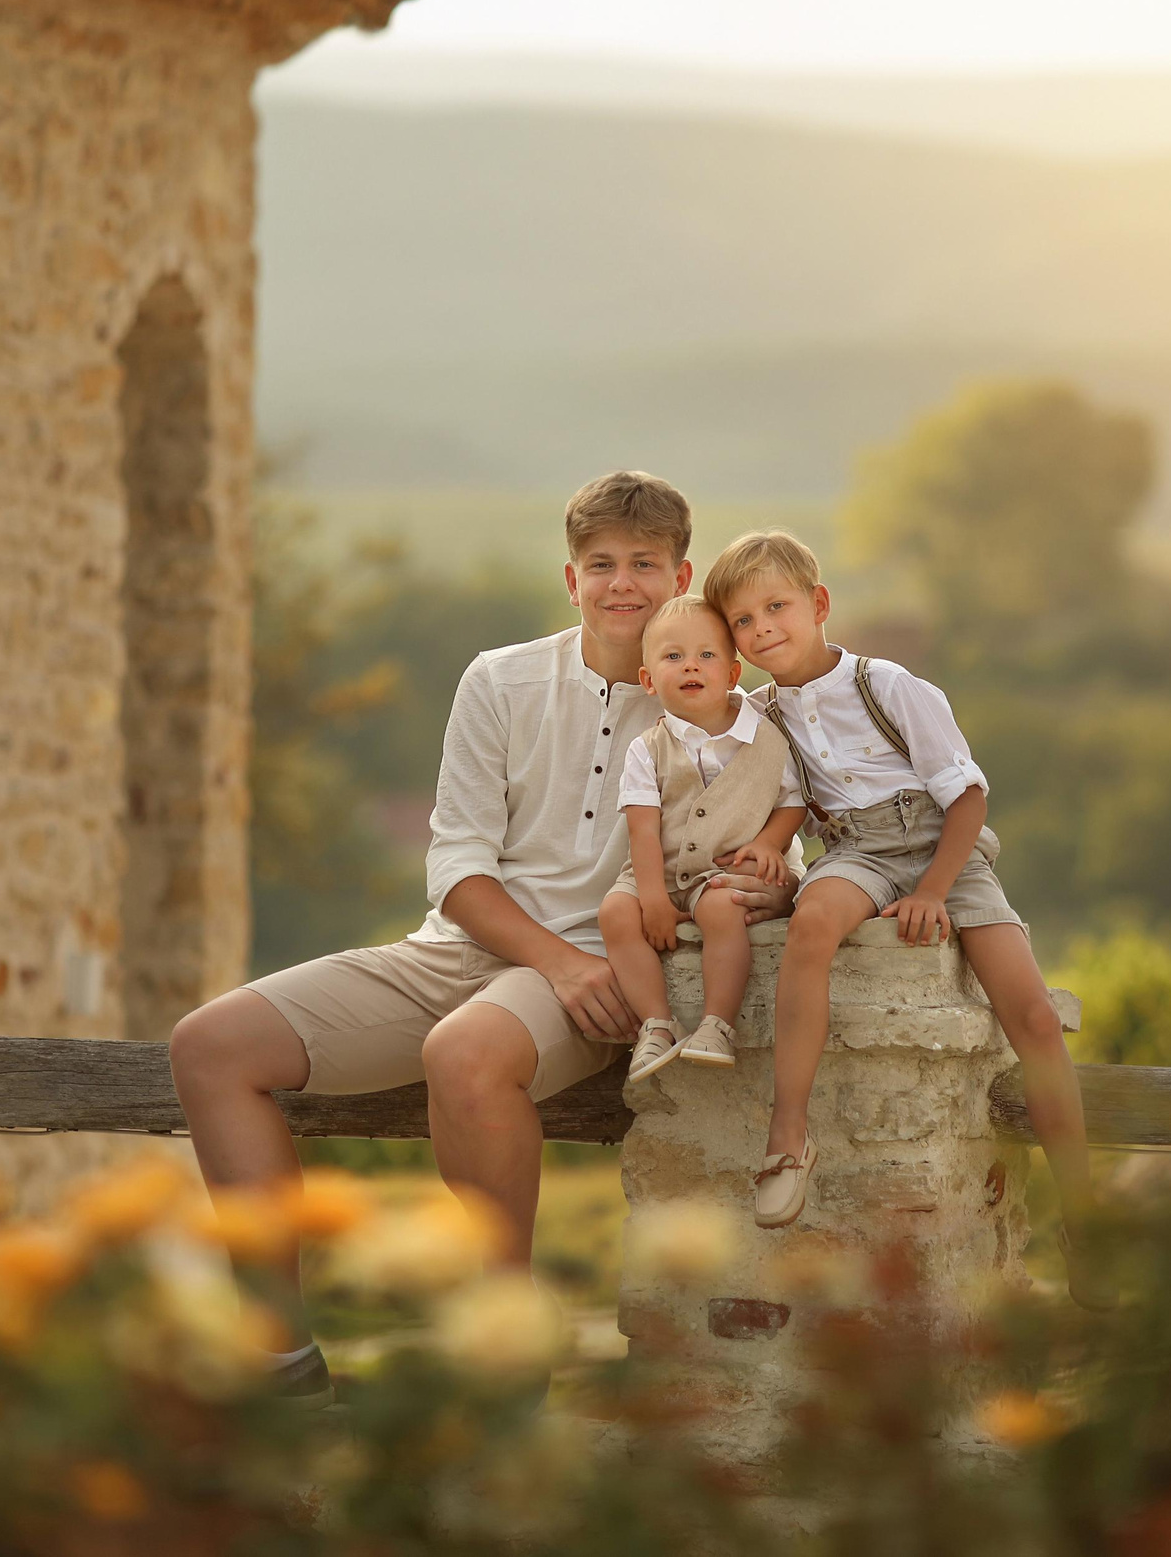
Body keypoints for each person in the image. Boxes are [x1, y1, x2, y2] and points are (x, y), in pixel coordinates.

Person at [167, 473, 795, 1400]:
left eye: (646, 565)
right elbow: (456, 867)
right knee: (209, 1045)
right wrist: (553, 957)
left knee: (462, 1054)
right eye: (602, 564)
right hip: (470, 950)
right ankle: (278, 1359)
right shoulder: (500, 679)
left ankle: (505, 1354)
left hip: (602, 971)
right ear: (570, 577)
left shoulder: (712, 701)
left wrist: (764, 883)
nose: (623, 584)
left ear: (682, 576)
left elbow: (778, 838)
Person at [704, 530, 1113, 1303]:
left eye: (777, 607)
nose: (762, 630)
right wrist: (776, 871)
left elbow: (966, 798)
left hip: (944, 847)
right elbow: (774, 802)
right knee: (813, 925)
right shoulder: (756, 715)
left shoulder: (885, 684)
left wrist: (933, 890)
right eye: (743, 622)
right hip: (855, 849)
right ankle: (787, 1139)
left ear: (819, 605)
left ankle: (1085, 1218)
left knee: (1030, 1013)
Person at [598, 594, 808, 1084]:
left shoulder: (767, 739)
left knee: (720, 908)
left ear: (733, 674)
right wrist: (650, 896)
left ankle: (717, 1024)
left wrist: (770, 844)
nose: (691, 666)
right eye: (673, 657)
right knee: (615, 913)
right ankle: (657, 1024)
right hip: (660, 869)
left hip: (723, 870)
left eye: (706, 656)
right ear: (649, 680)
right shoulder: (645, 749)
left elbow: (792, 802)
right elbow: (643, 829)